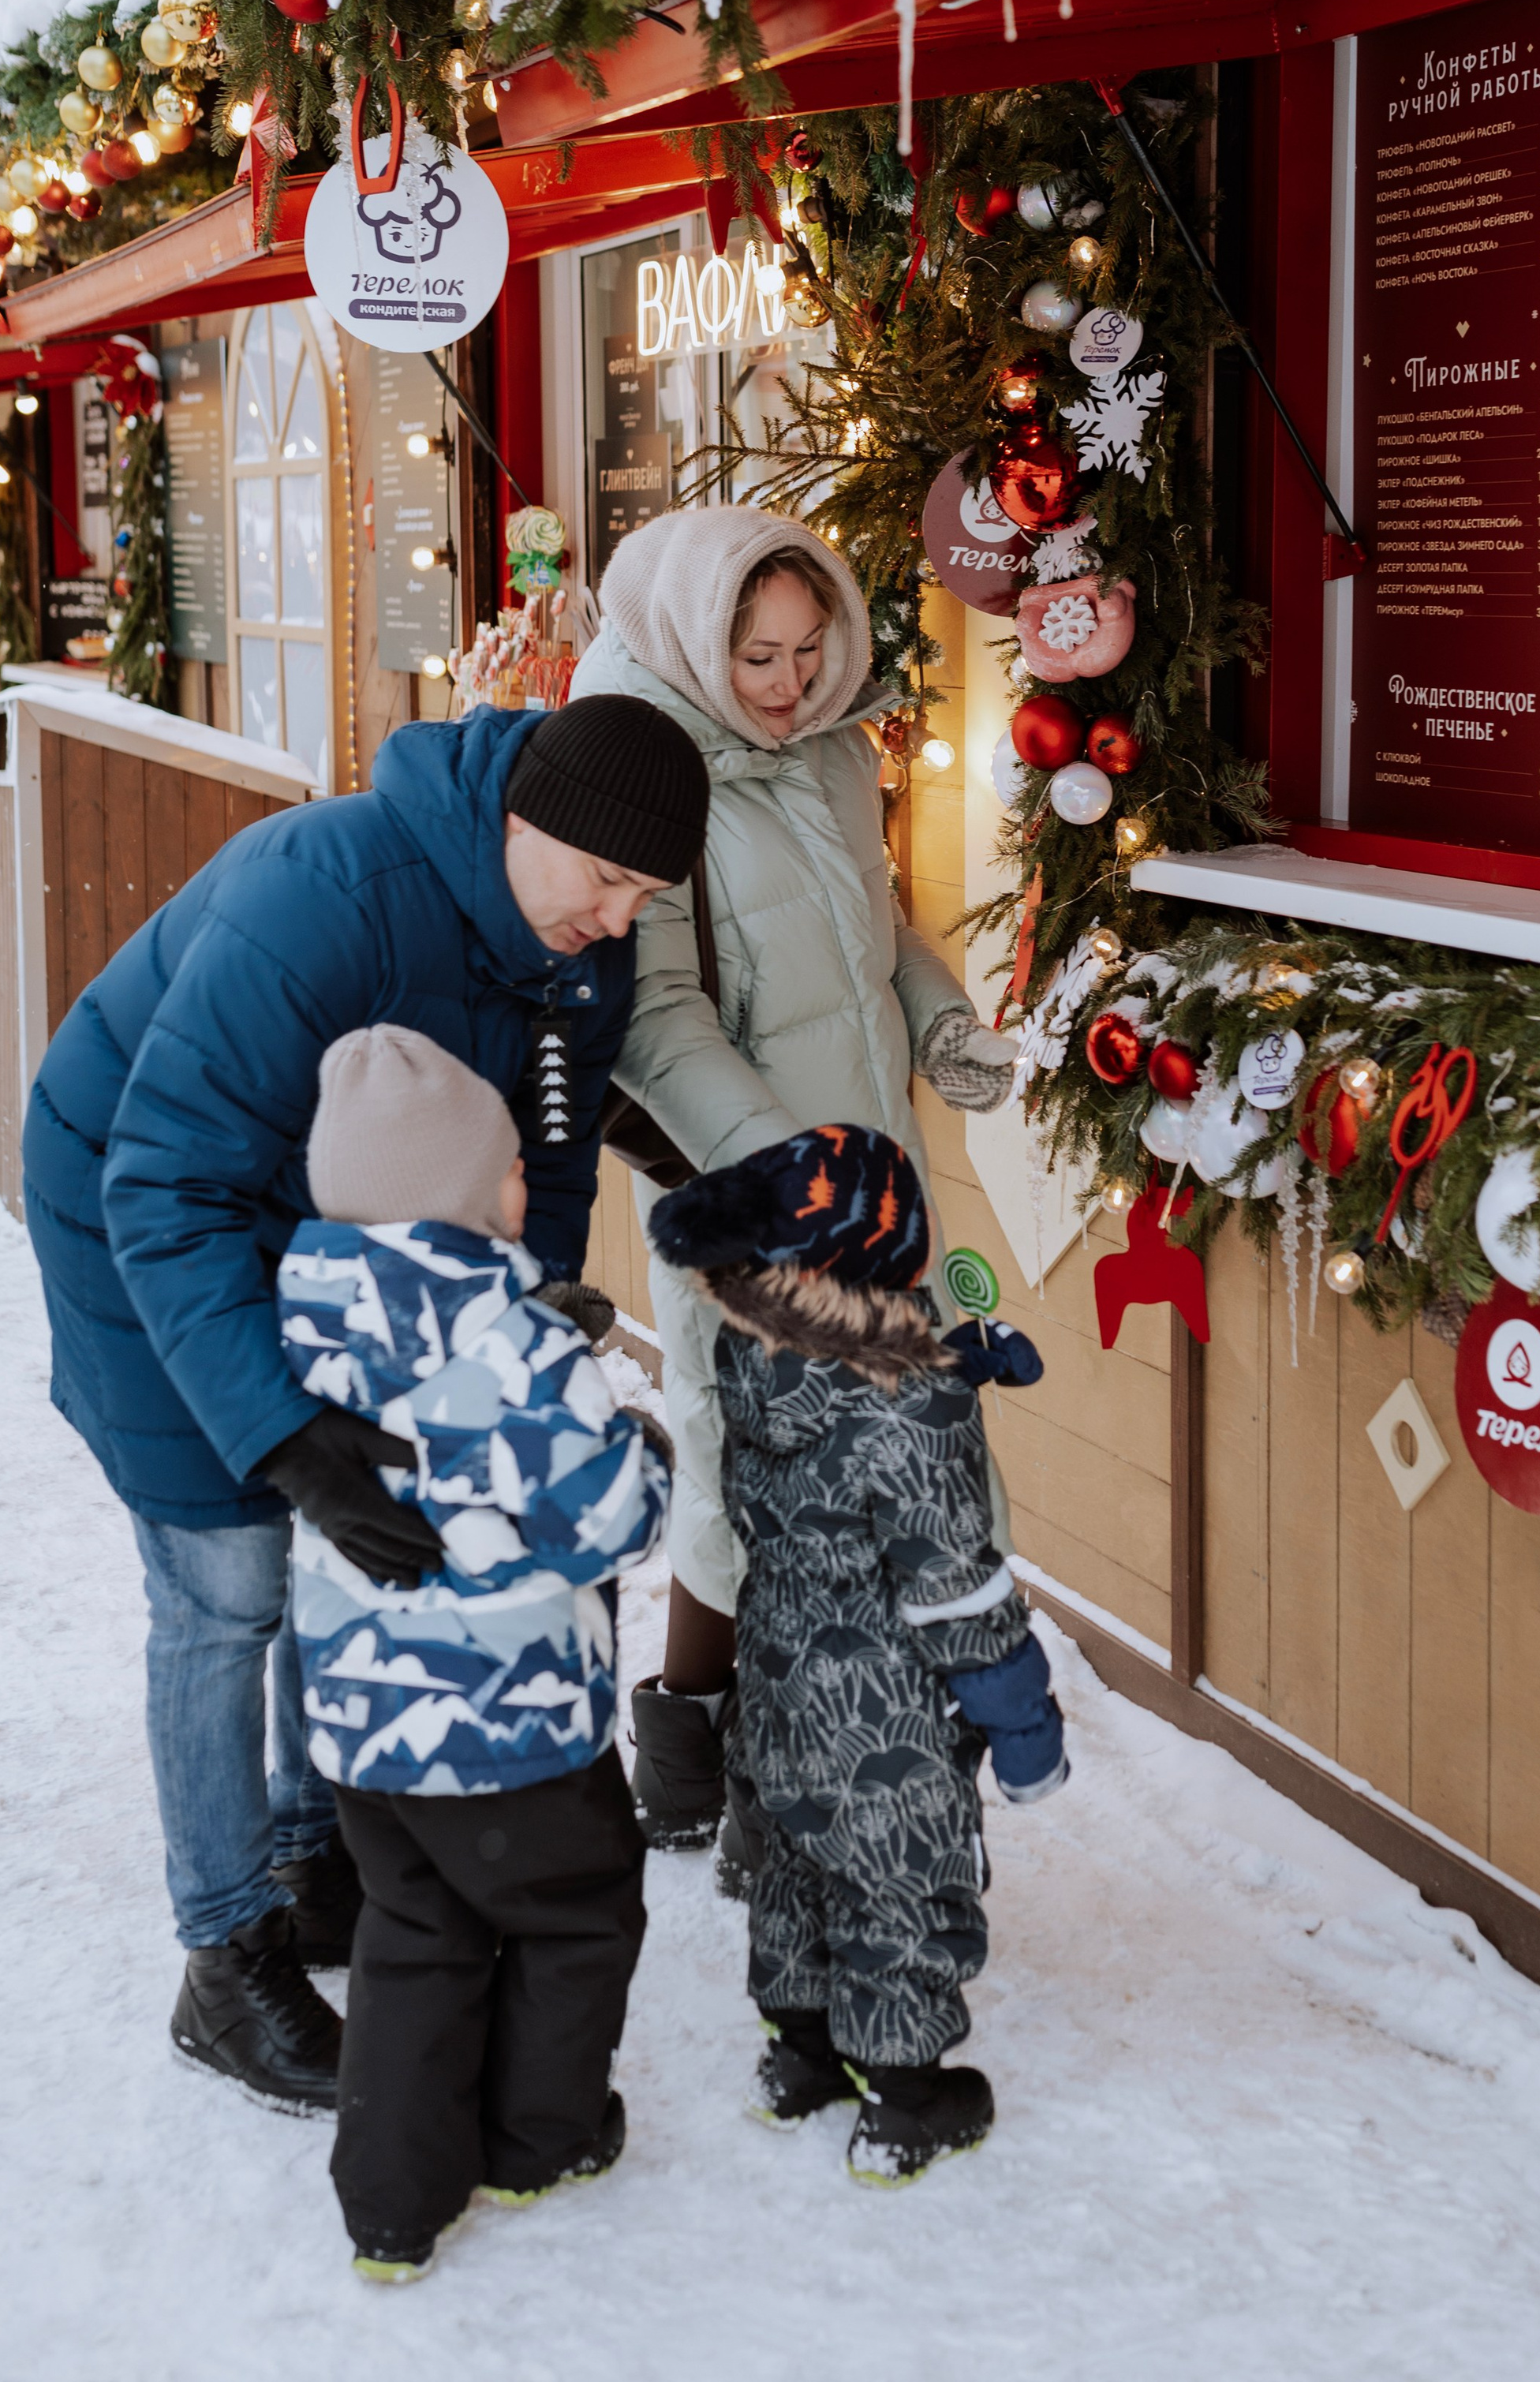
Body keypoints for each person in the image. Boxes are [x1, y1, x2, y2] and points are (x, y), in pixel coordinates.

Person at [21, 695, 709, 2114]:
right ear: (523, 822)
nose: (620, 915)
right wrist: (278, 1433)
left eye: (648, 893)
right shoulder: (325, 894)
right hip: (144, 1201)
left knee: (359, 1523)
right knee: (231, 1576)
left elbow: (556, 1153)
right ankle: (226, 1957)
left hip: (349, 1234)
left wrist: (512, 1331)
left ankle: (307, 1851)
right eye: (606, 880)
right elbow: (164, 1180)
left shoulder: (585, 944)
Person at [572, 507, 1017, 1875]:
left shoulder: (828, 749)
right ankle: (709, 1759)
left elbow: (876, 930)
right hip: (750, 1192)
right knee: (740, 1471)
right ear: (696, 637)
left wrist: (938, 1018)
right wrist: (783, 1164)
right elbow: (653, 1019)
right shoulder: (638, 764)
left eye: (809, 650)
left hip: (875, 1169)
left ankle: (805, 1756)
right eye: (757, 653)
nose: (786, 682)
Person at [278, 1024, 671, 2283]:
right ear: (460, 1192)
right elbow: (608, 1516)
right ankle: (539, 2139)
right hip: (509, 1726)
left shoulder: (301, 1333)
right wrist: (647, 1448)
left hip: (365, 1733)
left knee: (414, 1931)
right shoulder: (517, 1348)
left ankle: (390, 2209)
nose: (525, 1188)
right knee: (574, 1916)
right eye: (510, 1169)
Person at [647, 1122, 1067, 2183]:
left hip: (780, 1679)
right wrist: (1023, 1720)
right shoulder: (912, 1406)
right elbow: (954, 1583)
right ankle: (910, 2098)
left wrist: (947, 1361)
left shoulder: (751, 1358)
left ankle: (799, 2062)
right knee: (894, 1881)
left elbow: (841, 1421)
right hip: (885, 1703)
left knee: (796, 1862)